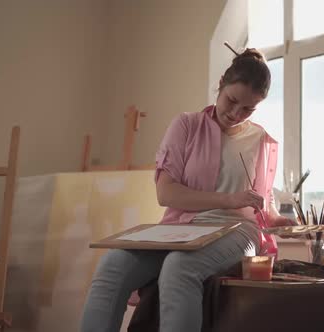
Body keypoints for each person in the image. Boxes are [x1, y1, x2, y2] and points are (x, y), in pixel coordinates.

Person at [80, 46, 293, 332]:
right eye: (232, 100)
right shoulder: (186, 126)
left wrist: (279, 220)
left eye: (248, 109)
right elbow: (166, 194)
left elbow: (261, 202)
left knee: (179, 268)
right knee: (111, 267)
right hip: (183, 227)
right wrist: (230, 199)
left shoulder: (261, 140)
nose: (235, 113)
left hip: (240, 230)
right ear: (221, 84)